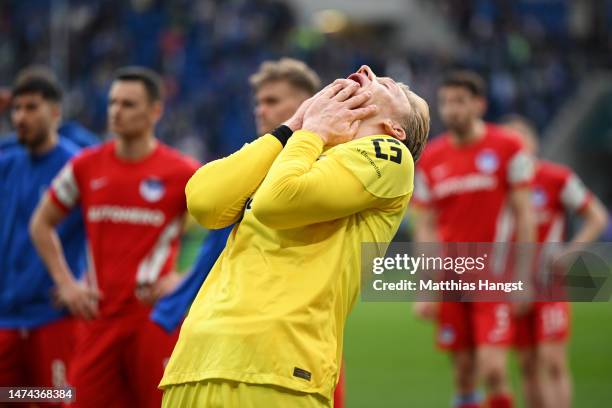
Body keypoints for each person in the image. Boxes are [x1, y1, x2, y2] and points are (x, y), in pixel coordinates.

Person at [159, 65, 430, 407]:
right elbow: (203, 201)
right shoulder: (296, 151)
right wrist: (290, 129)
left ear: (394, 128)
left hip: (277, 369)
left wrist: (310, 134)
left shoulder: (390, 157)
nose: (366, 71)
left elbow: (277, 202)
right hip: (196, 359)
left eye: (388, 85)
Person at [29, 66, 199, 408]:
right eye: (112, 103)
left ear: (155, 111)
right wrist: (66, 283)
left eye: (128, 104)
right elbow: (41, 223)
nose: (116, 112)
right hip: (98, 319)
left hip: (152, 321)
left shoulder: (183, 172)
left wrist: (185, 281)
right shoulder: (85, 165)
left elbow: (226, 231)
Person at [412, 71, 535, 408]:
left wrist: (524, 276)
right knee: (464, 373)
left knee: (493, 369)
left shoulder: (508, 148)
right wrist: (427, 286)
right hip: (451, 281)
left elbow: (524, 214)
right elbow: (425, 227)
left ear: (479, 104)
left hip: (494, 277)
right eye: (446, 102)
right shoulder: (431, 159)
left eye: (460, 101)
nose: (452, 110)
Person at [502, 115, 609, 408]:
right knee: (526, 363)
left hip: (549, 285)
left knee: (552, 360)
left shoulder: (556, 177)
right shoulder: (499, 185)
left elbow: (597, 217)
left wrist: (570, 252)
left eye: (519, 140)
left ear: (532, 142)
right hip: (513, 283)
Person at [0, 67, 86, 397]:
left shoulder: (76, 166)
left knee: (55, 400)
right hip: (6, 318)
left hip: (53, 318)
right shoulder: (8, 164)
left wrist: (77, 283)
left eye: (31, 107)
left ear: (55, 112)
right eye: (16, 108)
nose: (21, 116)